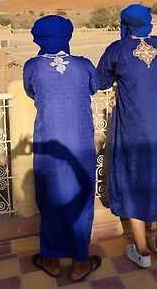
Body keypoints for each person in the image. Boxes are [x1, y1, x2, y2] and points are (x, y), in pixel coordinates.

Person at [97, 4, 157, 267]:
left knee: (133, 178)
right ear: (149, 21)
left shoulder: (117, 50)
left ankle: (143, 252)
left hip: (134, 127)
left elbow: (101, 80)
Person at [23, 15, 102, 281]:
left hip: (49, 145)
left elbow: (31, 91)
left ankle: (52, 260)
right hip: (80, 145)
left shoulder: (32, 66)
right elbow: (95, 85)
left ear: (38, 38)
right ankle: (80, 263)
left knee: (50, 199)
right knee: (81, 199)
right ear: (67, 36)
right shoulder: (83, 65)